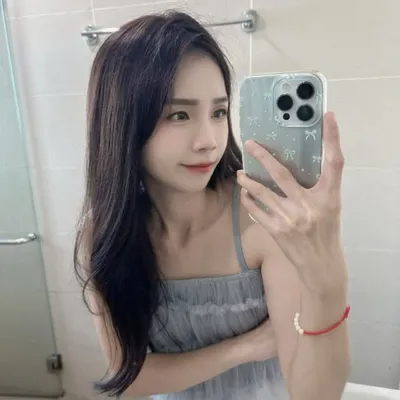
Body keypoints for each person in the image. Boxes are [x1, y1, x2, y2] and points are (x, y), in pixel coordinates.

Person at [74, 10, 351, 400]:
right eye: (179, 115)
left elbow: (315, 396)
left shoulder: (260, 217)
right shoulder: (105, 234)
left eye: (219, 112)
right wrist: (245, 347)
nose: (209, 140)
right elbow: (128, 378)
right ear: (123, 122)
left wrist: (328, 279)